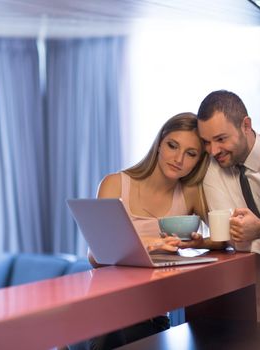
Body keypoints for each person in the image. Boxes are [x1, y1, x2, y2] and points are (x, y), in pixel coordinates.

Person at [89, 112, 210, 349]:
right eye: (172, 146)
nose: (178, 158)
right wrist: (151, 243)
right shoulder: (115, 184)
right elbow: (96, 257)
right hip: (107, 310)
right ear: (159, 144)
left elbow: (221, 236)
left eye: (191, 153)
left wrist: (198, 243)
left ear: (199, 160)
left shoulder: (190, 193)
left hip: (152, 315)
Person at [180, 90, 260, 324]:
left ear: (246, 125)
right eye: (207, 142)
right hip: (255, 302)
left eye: (221, 139)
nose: (214, 151)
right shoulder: (213, 169)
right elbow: (234, 237)